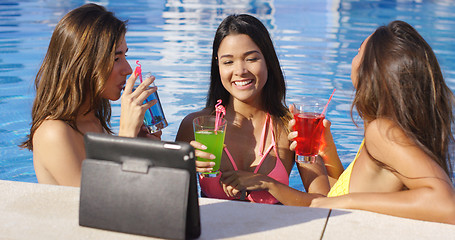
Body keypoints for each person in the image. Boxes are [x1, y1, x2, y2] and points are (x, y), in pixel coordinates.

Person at [288, 20, 455, 224]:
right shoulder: (385, 130)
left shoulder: (382, 131)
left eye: (358, 52)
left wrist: (347, 202)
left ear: (371, 72)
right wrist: (323, 151)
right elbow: (333, 199)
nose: (353, 58)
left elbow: (446, 205)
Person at [176, 14, 329, 204]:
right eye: (228, 62)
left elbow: (323, 202)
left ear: (268, 61)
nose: (240, 70)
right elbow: (169, 199)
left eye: (251, 59)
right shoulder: (195, 126)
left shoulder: (290, 127)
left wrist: (267, 183)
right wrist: (184, 164)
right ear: (218, 65)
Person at [20, 3, 161, 187]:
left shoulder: (93, 121)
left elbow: (127, 189)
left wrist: (138, 147)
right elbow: (98, 206)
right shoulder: (53, 132)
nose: (128, 70)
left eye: (125, 56)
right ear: (84, 64)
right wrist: (126, 137)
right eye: (116, 59)